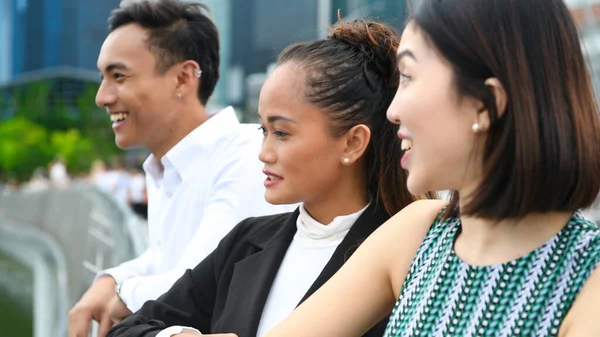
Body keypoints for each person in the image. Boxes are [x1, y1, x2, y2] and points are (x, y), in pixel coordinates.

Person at [260, 0, 600, 336]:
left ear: (485, 104)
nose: (392, 112)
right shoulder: (417, 233)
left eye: (407, 77)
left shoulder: (588, 280)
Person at [106, 19, 433, 337]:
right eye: (263, 130)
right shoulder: (246, 242)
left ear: (352, 142)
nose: (263, 152)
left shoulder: (407, 254)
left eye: (281, 132)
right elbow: (127, 329)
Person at [68, 1, 294, 336]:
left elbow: (195, 283)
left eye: (119, 76)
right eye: (103, 78)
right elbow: (163, 258)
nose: (102, 97)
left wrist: (121, 293)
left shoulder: (245, 157)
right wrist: (112, 278)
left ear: (183, 78)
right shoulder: (169, 168)